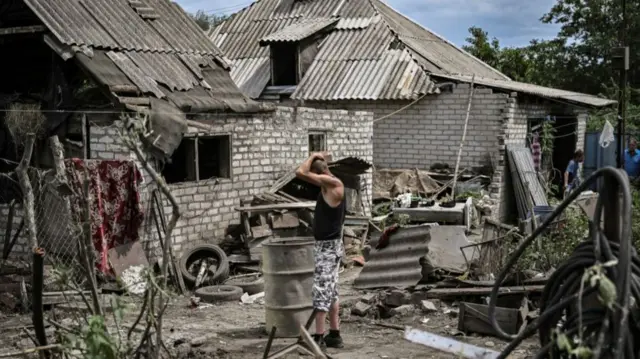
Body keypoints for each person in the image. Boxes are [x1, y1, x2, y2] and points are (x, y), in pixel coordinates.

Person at [295, 153, 345, 350]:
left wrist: (313, 155)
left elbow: (300, 172)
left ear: (320, 173)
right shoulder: (331, 184)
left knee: (321, 291)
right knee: (331, 291)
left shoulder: (333, 184)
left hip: (327, 248)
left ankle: (318, 338)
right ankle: (335, 334)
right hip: (331, 246)